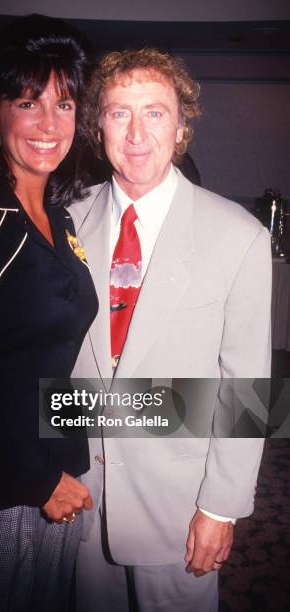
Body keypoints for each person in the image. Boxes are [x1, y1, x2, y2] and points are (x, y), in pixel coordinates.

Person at [68, 49, 272, 611]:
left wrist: (221, 507)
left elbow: (248, 389)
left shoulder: (238, 236)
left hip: (179, 508)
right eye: (118, 113)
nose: (136, 133)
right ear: (96, 125)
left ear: (182, 126)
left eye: (155, 113)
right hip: (80, 499)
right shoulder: (65, 221)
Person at [0, 15, 97, 611]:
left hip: (59, 474)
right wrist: (36, 481)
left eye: (63, 104)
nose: (49, 124)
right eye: (28, 102)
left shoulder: (60, 217)